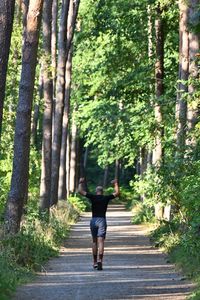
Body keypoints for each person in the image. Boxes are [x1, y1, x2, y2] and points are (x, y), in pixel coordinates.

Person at [78, 177, 120, 270]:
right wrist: (116, 184)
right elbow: (117, 193)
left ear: (96, 191)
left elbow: (80, 191)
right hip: (102, 220)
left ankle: (94, 262)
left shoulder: (92, 197)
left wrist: (80, 182)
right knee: (101, 241)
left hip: (93, 220)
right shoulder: (106, 198)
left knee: (94, 241)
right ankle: (100, 260)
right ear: (102, 191)